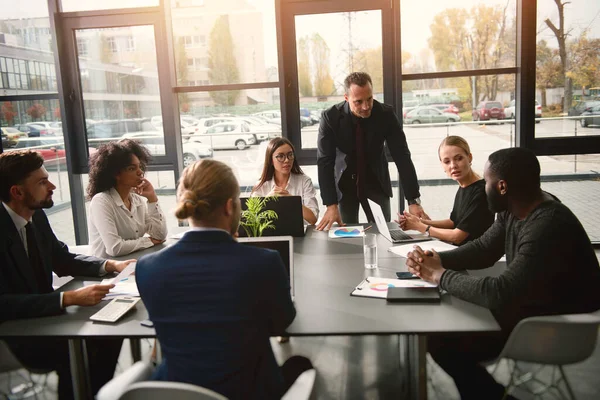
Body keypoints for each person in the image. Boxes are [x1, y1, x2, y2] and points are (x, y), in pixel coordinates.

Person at [405, 148, 600, 400]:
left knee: (443, 341)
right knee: (442, 330)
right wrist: (437, 259)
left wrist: (438, 275)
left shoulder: (547, 224)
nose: (483, 186)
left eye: (486, 182)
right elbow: (484, 249)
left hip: (556, 325)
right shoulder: (516, 208)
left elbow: (500, 293)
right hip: (532, 305)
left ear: (502, 187)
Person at [136, 159, 313, 400]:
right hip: (250, 391)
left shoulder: (147, 268)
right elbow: (283, 321)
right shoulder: (263, 263)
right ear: (230, 207)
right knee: (300, 364)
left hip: (176, 391)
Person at [0, 150, 134, 399]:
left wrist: (110, 266)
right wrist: (68, 299)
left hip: (44, 319)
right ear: (16, 192)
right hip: (14, 331)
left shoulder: (36, 215)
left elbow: (62, 259)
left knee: (109, 334)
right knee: (79, 350)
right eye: (42, 182)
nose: (52, 186)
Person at [316, 71, 424, 230]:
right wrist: (330, 204)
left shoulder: (385, 114)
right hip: (344, 184)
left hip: (376, 181)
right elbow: (325, 162)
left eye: (369, 99)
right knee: (346, 235)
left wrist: (413, 201)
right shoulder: (330, 118)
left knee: (383, 233)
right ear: (346, 98)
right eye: (358, 102)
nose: (366, 107)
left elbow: (402, 156)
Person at [396, 136, 494, 245]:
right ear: (442, 165)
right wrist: (418, 222)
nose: (453, 166)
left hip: (472, 256)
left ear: (469, 158)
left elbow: (457, 237)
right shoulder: (464, 187)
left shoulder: (481, 192)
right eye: (447, 161)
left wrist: (420, 226)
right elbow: (454, 222)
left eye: (459, 158)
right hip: (460, 251)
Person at [87, 139, 168, 258]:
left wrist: (152, 198)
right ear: (116, 174)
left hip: (130, 265)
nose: (140, 172)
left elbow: (160, 235)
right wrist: (149, 241)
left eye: (140, 166)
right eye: (132, 168)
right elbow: (115, 248)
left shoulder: (137, 200)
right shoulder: (101, 201)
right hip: (106, 272)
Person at [252, 137, 319, 225]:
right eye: (280, 156)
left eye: (290, 155)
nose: (287, 160)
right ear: (271, 160)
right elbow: (252, 220)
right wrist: (268, 200)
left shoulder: (304, 181)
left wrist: (292, 200)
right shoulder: (261, 186)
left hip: (300, 235)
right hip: (270, 236)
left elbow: (313, 219)